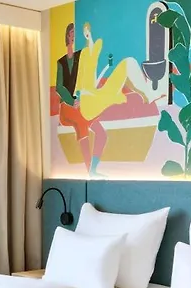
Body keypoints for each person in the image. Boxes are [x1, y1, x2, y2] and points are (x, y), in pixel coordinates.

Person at [73, 23, 159, 177]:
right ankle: (92, 171)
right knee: (98, 134)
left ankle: (147, 94)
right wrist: (77, 98)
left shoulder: (90, 60)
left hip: (95, 98)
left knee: (128, 63)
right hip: (90, 103)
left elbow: (93, 74)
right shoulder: (84, 59)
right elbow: (79, 86)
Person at [55, 23, 106, 175]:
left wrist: (89, 37)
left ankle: (94, 168)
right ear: (68, 36)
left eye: (76, 33)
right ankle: (89, 171)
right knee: (82, 124)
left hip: (82, 105)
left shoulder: (81, 56)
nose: (74, 35)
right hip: (67, 108)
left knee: (101, 133)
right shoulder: (61, 62)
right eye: (72, 33)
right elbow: (59, 87)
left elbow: (91, 53)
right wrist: (72, 101)